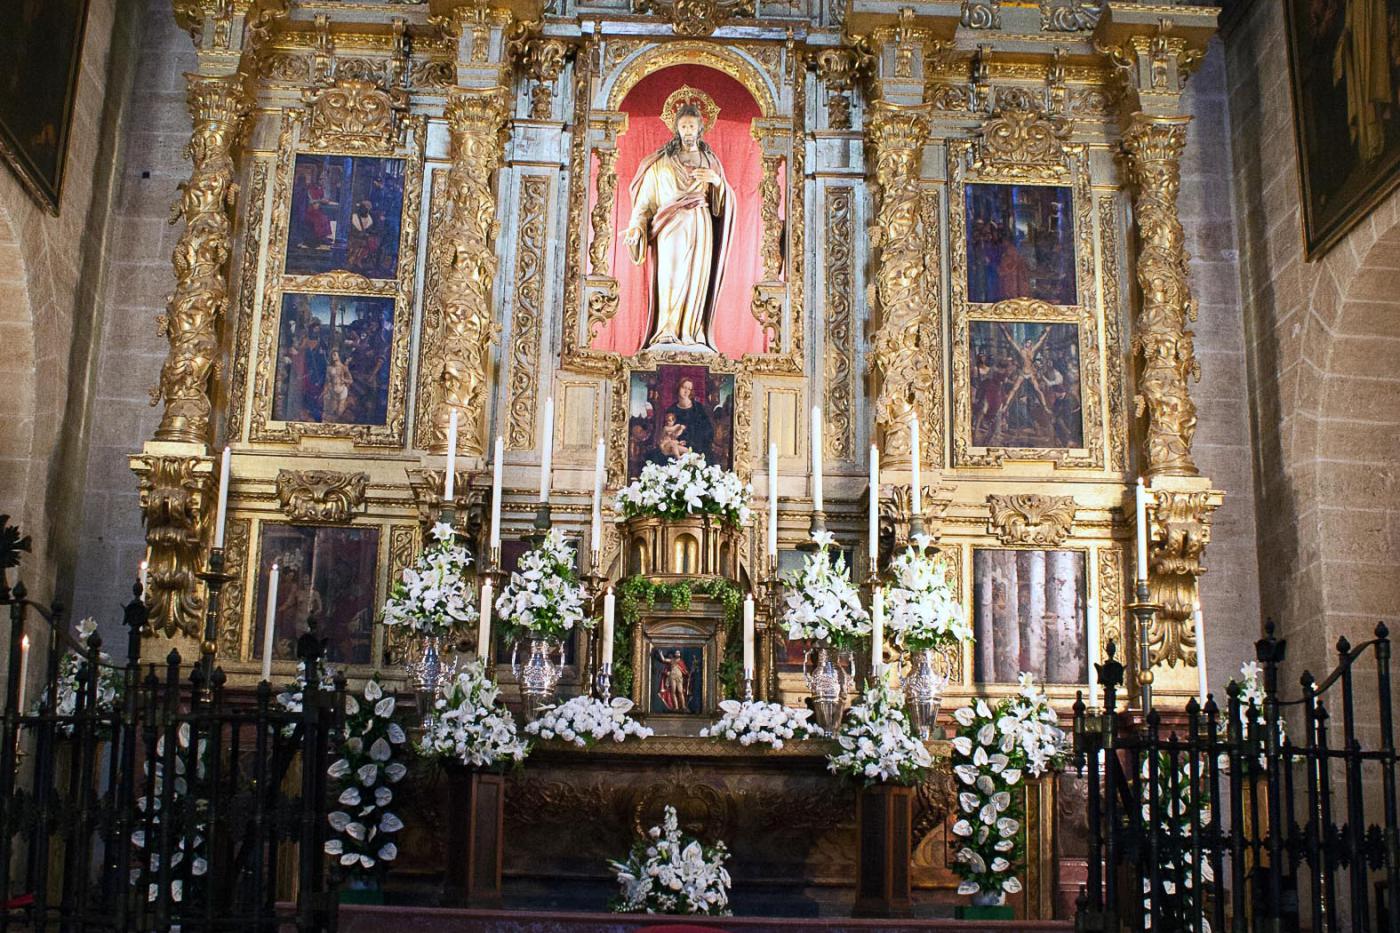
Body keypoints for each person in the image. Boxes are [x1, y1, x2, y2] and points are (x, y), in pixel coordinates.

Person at [623, 101, 735, 351]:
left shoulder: (710, 161)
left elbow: (723, 205)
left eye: (692, 126)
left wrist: (717, 182)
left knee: (696, 279)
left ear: (700, 128)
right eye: (683, 126)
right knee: (671, 276)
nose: (688, 130)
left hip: (700, 225)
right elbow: (645, 203)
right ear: (676, 129)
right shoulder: (661, 163)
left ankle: (691, 332)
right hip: (670, 226)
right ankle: (667, 329)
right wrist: (635, 227)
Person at [663, 377, 714, 463]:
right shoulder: (671, 409)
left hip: (697, 445)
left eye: (689, 389)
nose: (686, 391)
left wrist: (693, 441)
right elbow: (668, 432)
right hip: (678, 446)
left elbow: (707, 429)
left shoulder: (698, 407)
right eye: (684, 387)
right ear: (678, 388)